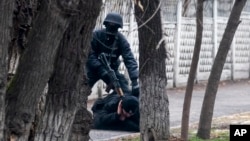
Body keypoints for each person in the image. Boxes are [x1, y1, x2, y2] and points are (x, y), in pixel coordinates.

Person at [86, 12, 139, 97]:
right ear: (106, 25)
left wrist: (134, 80)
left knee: (124, 91)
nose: (112, 28)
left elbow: (129, 58)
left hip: (111, 70)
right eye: (110, 25)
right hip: (94, 69)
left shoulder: (121, 40)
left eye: (115, 26)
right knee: (82, 87)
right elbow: (90, 55)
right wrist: (100, 68)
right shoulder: (96, 35)